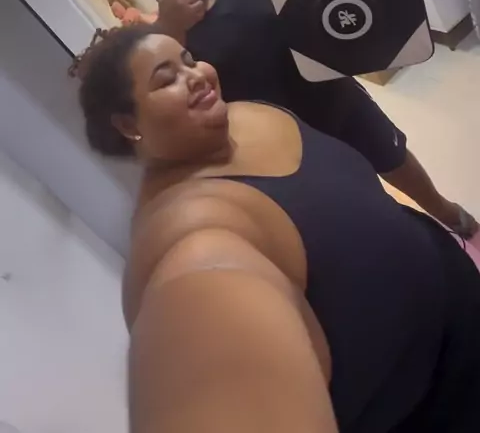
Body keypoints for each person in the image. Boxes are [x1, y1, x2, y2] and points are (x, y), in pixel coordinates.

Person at [78, 26, 480, 432]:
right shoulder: (189, 236)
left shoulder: (244, 112)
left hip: (459, 298)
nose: (195, 75)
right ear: (128, 125)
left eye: (188, 60)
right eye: (166, 79)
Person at [129, 0, 477, 236]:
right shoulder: (168, 38)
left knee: (394, 157)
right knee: (356, 200)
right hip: (287, 138)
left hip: (334, 95)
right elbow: (166, 83)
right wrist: (171, 26)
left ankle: (447, 213)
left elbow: (309, 5)